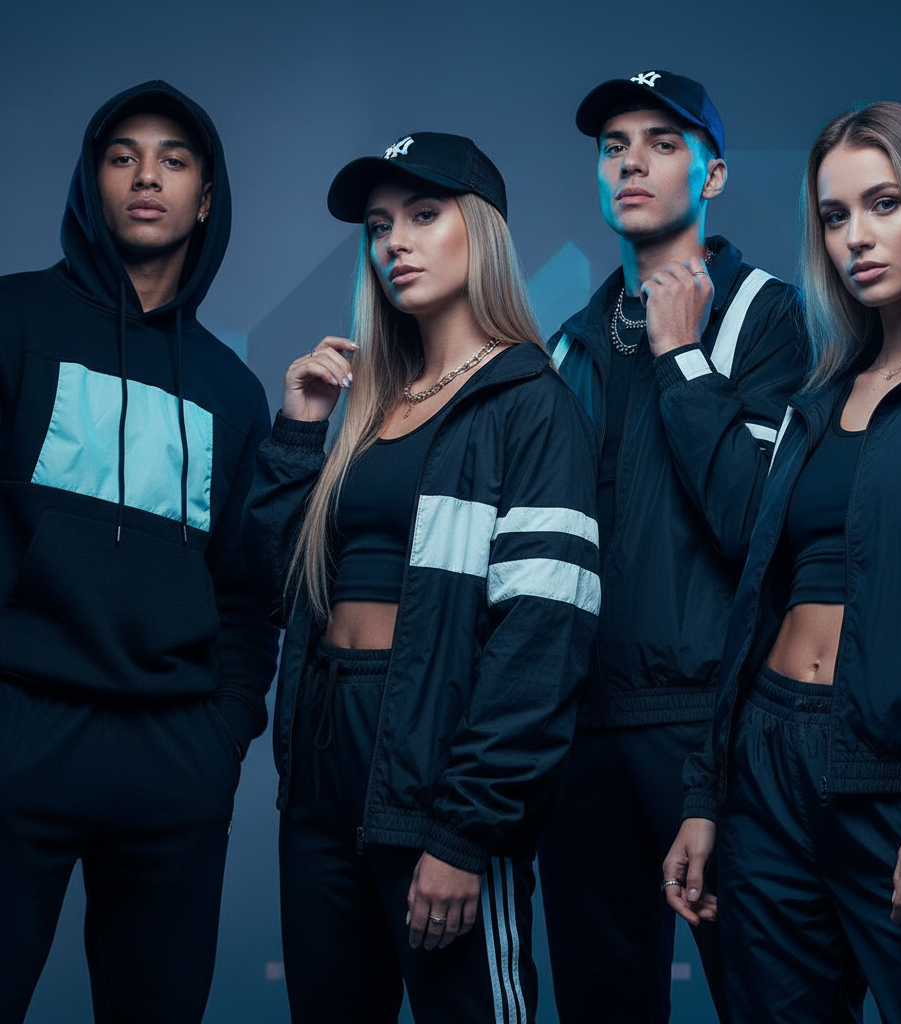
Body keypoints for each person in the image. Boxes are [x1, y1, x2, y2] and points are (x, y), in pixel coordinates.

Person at [666, 100, 901, 1023]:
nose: (855, 237)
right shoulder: (818, 397)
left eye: (885, 204)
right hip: (768, 773)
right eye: (834, 216)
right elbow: (757, 592)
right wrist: (709, 792)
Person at [244, 131, 600, 1024]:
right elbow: (272, 586)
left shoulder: (531, 402)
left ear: (479, 232)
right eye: (377, 225)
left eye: (423, 215)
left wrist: (465, 830)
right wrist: (298, 436)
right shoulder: (366, 408)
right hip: (326, 767)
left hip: (440, 771)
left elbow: (541, 639)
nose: (394, 242)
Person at [0, 81, 278, 1024]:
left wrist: (222, 737)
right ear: (93, 181)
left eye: (174, 158)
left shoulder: (232, 393)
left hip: (172, 753)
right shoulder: (13, 324)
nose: (146, 176)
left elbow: (246, 594)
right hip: (22, 729)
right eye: (122, 156)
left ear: (206, 196)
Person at [536, 69, 806, 1022]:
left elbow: (755, 523)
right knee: (600, 1002)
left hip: (709, 727)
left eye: (661, 141)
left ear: (714, 173)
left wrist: (681, 354)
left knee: (768, 996)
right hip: (577, 734)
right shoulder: (567, 343)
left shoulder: (768, 315)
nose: (632, 163)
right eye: (614, 147)